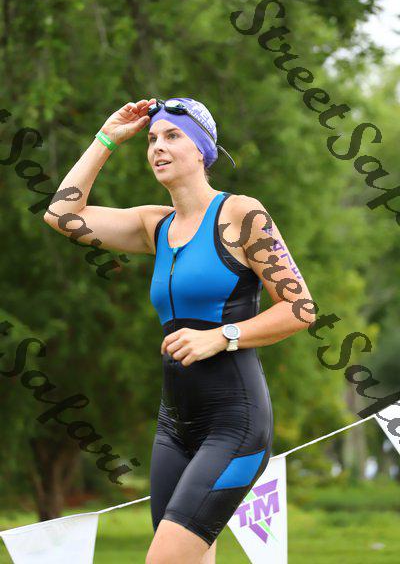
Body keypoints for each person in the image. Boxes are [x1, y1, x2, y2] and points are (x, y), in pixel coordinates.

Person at [43, 97, 316, 564]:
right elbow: (61, 214)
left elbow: (300, 308)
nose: (157, 147)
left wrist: (222, 335)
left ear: (202, 150)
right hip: (174, 428)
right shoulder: (155, 225)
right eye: (152, 139)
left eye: (172, 136)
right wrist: (107, 137)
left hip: (235, 424)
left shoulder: (241, 214)